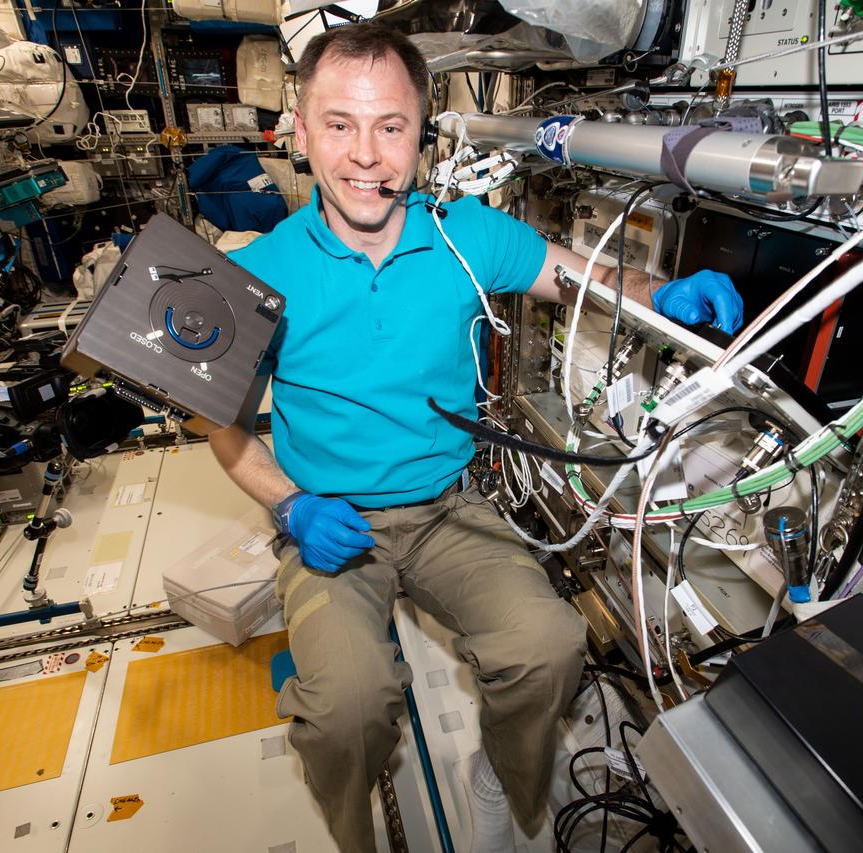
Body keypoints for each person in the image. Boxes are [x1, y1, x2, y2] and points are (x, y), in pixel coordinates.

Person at [210, 22, 743, 853]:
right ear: (301, 132)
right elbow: (225, 430)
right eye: (340, 125)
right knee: (348, 706)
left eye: (391, 126)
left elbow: (586, 275)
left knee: (548, 646)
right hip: (328, 521)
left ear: (422, 135)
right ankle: (355, 835)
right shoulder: (260, 274)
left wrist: (661, 293)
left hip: (448, 508)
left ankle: (502, 776)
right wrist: (291, 508)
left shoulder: (465, 234)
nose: (365, 155)